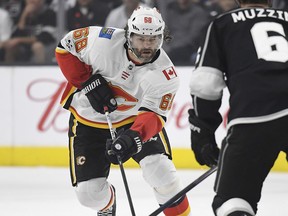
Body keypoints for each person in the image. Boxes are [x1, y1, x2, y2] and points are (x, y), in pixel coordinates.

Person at [55, 6, 191, 216]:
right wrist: (86, 80)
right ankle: (108, 205)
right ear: (128, 35)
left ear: (162, 38)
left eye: (153, 39)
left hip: (133, 120)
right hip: (88, 121)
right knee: (89, 195)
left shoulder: (166, 74)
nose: (146, 46)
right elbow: (65, 46)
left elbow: (154, 115)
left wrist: (133, 137)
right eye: (140, 39)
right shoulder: (102, 42)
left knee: (164, 176)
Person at [188, 0, 288, 215]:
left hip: (254, 116)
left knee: (234, 202)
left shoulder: (222, 24)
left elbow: (206, 84)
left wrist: (202, 134)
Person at [162, 0, 211, 65]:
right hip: (170, 47)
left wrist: (173, 46)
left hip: (189, 47)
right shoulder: (170, 11)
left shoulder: (199, 12)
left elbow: (194, 35)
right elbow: (165, 30)